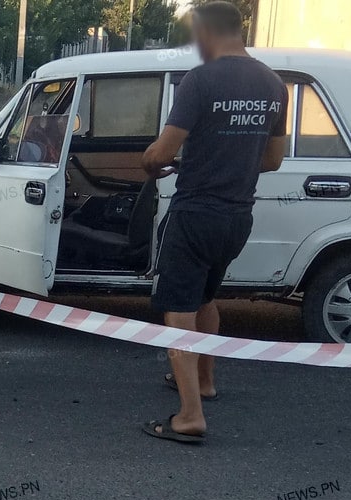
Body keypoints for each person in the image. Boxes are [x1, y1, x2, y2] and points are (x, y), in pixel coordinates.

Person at [140, 0, 288, 444]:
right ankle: (204, 381)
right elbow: (273, 159)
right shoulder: (274, 84)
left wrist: (151, 162)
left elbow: (162, 153)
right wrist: (227, 163)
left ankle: (190, 416)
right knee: (206, 298)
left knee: (179, 311)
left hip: (195, 214)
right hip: (237, 217)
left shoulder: (200, 80)